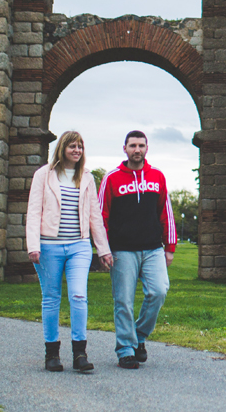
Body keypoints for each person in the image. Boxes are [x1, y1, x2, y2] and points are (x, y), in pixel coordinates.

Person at [26, 130, 113, 373]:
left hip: (79, 247)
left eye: (80, 147)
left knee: (78, 295)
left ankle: (79, 353)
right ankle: (52, 354)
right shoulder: (44, 175)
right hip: (48, 247)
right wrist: (33, 245)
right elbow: (33, 211)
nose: (77, 151)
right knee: (51, 298)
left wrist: (103, 249)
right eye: (72, 146)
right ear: (62, 148)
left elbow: (95, 217)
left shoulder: (86, 177)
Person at [98, 130, 176, 369]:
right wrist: (103, 248)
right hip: (122, 250)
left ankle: (138, 337)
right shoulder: (111, 178)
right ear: (125, 149)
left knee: (159, 291)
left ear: (147, 148)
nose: (137, 150)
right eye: (132, 145)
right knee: (123, 301)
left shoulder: (157, 177)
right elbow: (101, 215)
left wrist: (169, 246)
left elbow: (166, 213)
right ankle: (125, 350)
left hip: (153, 248)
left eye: (141, 145)